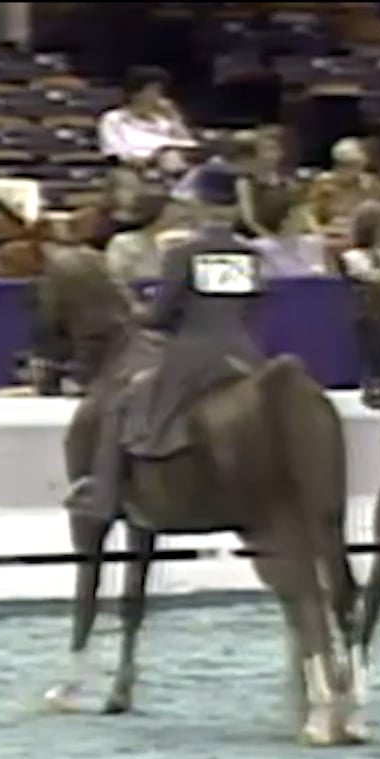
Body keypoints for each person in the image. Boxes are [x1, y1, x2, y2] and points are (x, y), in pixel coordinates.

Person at [71, 163, 266, 522]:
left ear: (201, 204)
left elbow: (159, 316)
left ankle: (104, 494)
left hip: (194, 354)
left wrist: (133, 309)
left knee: (123, 401)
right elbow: (247, 305)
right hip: (244, 353)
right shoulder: (249, 254)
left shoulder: (184, 254)